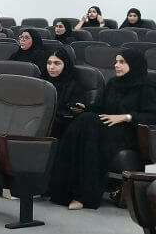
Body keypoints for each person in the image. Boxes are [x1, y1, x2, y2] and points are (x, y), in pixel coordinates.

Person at [49, 49, 156, 210]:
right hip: (107, 127)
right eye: (116, 61)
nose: (116, 65)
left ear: (134, 64)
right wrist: (86, 108)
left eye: (122, 62)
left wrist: (125, 117)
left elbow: (152, 116)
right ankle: (62, 191)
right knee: (84, 120)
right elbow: (102, 108)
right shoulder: (113, 83)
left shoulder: (146, 86)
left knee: (89, 128)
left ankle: (85, 196)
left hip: (130, 133)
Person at [45, 47, 85, 138]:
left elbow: (72, 113)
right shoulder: (42, 82)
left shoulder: (74, 86)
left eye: (57, 63)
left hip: (60, 127)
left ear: (65, 65)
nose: (51, 67)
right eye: (49, 63)